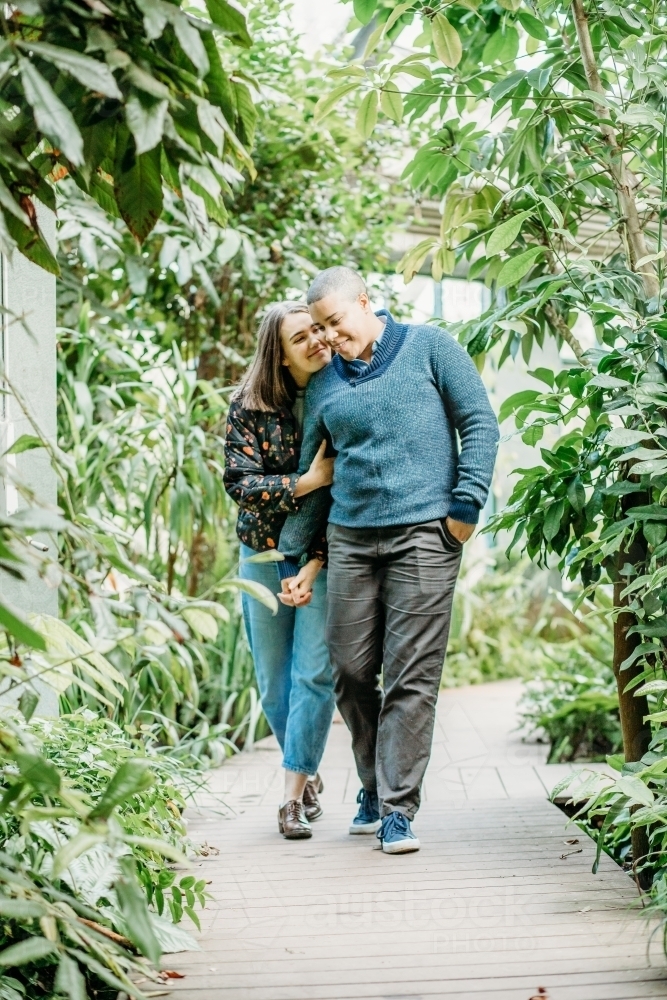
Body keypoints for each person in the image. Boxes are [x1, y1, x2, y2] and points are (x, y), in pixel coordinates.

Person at [277, 267, 499, 854]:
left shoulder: (430, 347)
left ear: (365, 303)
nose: (326, 337)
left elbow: (479, 421)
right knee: (349, 671)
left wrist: (465, 507)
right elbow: (315, 470)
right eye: (318, 328)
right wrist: (292, 557)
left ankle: (397, 810)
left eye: (334, 321)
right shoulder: (325, 384)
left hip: (425, 535)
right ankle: (374, 787)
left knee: (409, 676)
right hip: (351, 537)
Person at [223, 301, 336, 841]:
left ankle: (290, 797)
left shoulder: (341, 392)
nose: (317, 340)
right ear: (280, 354)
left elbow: (350, 490)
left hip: (323, 554)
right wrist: (303, 482)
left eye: (318, 329)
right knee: (273, 678)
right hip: (262, 554)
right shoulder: (248, 406)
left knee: (313, 671)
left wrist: (315, 561)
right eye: (301, 337)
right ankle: (308, 770)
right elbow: (240, 485)